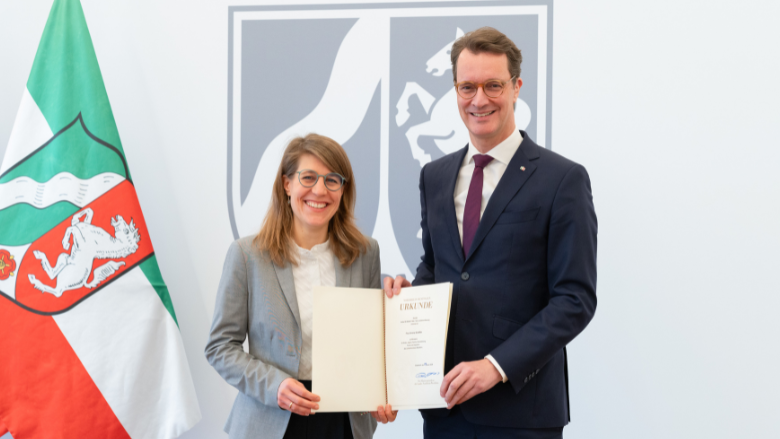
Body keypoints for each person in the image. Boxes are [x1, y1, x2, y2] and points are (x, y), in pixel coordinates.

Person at [384, 27, 597, 438]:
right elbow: (438, 267)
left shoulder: (562, 179)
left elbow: (575, 300)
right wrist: (408, 299)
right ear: (455, 90)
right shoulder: (435, 176)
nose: (479, 100)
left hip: (521, 412)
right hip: (445, 409)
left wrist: (496, 366)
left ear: (516, 88)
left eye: (493, 85)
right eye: (467, 87)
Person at [206, 134, 397, 439]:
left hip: (343, 422)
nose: (319, 190)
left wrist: (385, 394)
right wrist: (275, 386)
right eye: (308, 177)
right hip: (271, 420)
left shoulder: (365, 253)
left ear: (343, 189)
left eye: (332, 180)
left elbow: (371, 345)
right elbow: (220, 347)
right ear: (287, 184)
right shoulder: (247, 255)